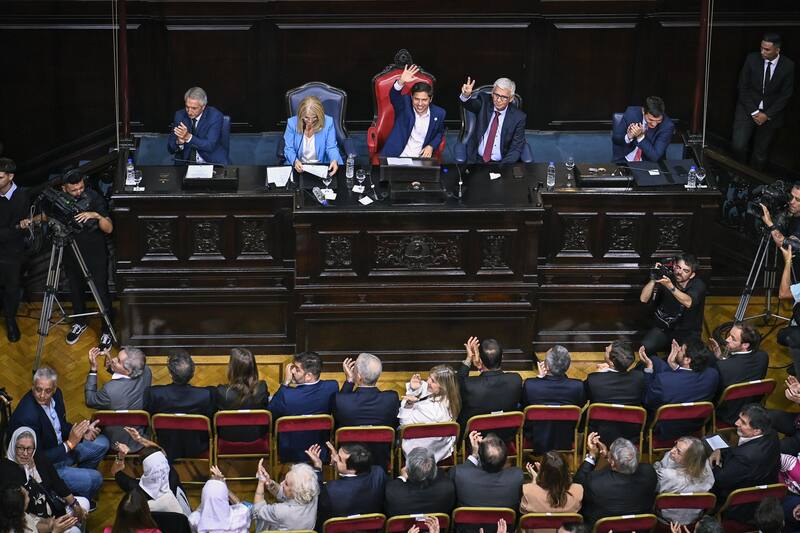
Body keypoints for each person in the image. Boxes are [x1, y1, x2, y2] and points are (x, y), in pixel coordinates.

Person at [9, 367, 108, 499]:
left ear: (54, 389)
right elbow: (36, 458)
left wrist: (82, 433)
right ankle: (73, 494)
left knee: (103, 443)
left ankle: (76, 489)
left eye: (48, 391)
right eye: (38, 389)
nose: (42, 395)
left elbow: (60, 426)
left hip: (60, 449)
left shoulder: (57, 395)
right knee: (96, 478)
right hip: (45, 467)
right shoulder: (27, 417)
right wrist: (70, 444)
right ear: (33, 386)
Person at [56, 172, 114, 348]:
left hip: (95, 253)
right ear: (64, 188)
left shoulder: (93, 197)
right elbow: (48, 216)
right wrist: (32, 220)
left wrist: (96, 215)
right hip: (71, 252)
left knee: (101, 291)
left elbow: (109, 228)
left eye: (81, 187)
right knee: (75, 289)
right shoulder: (59, 200)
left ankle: (107, 329)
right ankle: (80, 322)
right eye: (74, 190)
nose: (78, 192)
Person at [1, 427, 89, 530]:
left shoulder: (38, 457)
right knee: (74, 529)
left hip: (52, 507)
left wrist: (74, 504)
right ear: (13, 446)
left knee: (84, 503)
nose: (25, 453)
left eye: (29, 448)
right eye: (20, 448)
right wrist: (50, 525)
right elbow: (18, 512)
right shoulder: (5, 470)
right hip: (31, 521)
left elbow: (57, 482)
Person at [731, 33, 795, 171]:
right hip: (747, 108)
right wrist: (754, 112)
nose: (762, 52)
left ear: (777, 50)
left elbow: (785, 95)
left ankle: (753, 179)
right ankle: (737, 175)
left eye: (767, 49)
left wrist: (767, 115)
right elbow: (742, 87)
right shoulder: (751, 59)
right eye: (761, 48)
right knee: (738, 145)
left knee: (760, 153)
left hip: (771, 114)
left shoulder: (788, 66)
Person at [710, 403, 780, 524]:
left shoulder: (746, 458)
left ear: (757, 431)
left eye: (743, 422)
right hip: (760, 480)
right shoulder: (772, 434)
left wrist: (714, 465)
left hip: (741, 505)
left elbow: (720, 479)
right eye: (739, 418)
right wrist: (721, 451)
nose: (736, 423)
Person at [268, 351, 339, 464]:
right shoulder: (332, 387)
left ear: (308, 376)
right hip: (320, 451)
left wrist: (285, 383)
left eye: (297, 369)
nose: (292, 371)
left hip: (291, 452)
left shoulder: (286, 395)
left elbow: (270, 415)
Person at [639, 340, 719, 440]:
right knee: (656, 360)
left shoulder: (664, 381)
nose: (678, 349)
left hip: (666, 430)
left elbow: (647, 400)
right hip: (694, 427)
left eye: (681, 350)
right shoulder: (713, 375)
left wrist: (649, 369)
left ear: (687, 360)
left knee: (652, 362)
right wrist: (674, 365)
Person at [144, 351, 214, 462]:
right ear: (192, 374)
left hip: (164, 446)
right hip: (195, 447)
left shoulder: (155, 394)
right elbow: (210, 421)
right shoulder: (204, 395)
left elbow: (148, 418)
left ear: (170, 374)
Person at [573, 433, 657, 525]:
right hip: (638, 527)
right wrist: (609, 456)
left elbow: (578, 483)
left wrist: (592, 454)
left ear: (612, 462)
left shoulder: (595, 482)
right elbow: (626, 466)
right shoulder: (649, 473)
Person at [334, 353, 399, 470]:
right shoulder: (391, 398)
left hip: (350, 462)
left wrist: (350, 381)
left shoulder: (341, 400)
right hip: (381, 460)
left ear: (359, 376)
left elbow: (339, 405)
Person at [521, 345, 586, 454]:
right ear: (567, 366)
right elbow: (581, 403)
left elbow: (524, 404)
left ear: (546, 366)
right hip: (565, 437)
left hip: (536, 437)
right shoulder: (577, 386)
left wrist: (539, 379)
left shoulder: (530, 385)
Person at [85, 346, 152, 451]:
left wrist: (93, 369)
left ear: (128, 371)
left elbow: (90, 400)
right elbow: (127, 377)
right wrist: (112, 366)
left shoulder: (109, 390)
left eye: (118, 361)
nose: (113, 359)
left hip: (116, 441)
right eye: (117, 356)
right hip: (139, 437)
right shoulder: (146, 371)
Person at [112, 427, 191, 516]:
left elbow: (115, 472)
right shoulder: (172, 476)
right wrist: (139, 439)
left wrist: (121, 455)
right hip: (181, 519)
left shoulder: (135, 488)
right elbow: (161, 450)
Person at [307, 442, 388, 528]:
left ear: (352, 470)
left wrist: (317, 467)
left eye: (339, 459)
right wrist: (338, 462)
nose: (334, 458)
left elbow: (317, 496)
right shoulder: (379, 473)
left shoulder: (331, 490)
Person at [639, 253, 707, 356]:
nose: (679, 272)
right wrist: (654, 278)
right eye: (678, 267)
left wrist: (670, 286)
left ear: (692, 275)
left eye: (686, 271)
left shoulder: (698, 285)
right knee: (645, 347)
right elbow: (643, 299)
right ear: (674, 265)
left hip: (688, 333)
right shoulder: (668, 278)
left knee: (688, 358)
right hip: (665, 328)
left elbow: (688, 302)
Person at [708, 322, 768, 427]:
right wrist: (721, 358)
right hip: (752, 407)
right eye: (729, 335)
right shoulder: (763, 356)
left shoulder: (723, 367)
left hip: (728, 414)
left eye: (733, 338)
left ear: (745, 345)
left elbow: (714, 395)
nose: (727, 340)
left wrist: (719, 361)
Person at [448, 432, 524, 514]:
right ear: (506, 459)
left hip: (468, 522)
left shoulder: (459, 474)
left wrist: (474, 454)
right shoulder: (517, 476)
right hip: (503, 522)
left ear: (480, 458)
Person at [584, 341, 645, 444]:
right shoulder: (639, 378)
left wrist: (599, 374)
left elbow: (583, 396)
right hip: (629, 435)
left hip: (599, 435)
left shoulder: (594, 380)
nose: (606, 347)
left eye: (607, 350)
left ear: (612, 363)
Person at [398, 365, 461, 463]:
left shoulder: (430, 411)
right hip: (441, 449)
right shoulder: (452, 399)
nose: (427, 381)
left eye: (433, 381)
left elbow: (404, 423)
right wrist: (415, 389)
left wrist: (410, 398)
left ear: (443, 386)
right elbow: (428, 392)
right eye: (429, 377)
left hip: (417, 452)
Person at [458, 338, 522, 434]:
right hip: (507, 433)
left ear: (480, 360)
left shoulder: (470, 385)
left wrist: (469, 359)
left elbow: (457, 384)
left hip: (477, 436)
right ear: (502, 357)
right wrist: (481, 368)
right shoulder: (516, 379)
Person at [381, 64, 446, 159]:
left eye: (424, 100)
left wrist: (431, 146)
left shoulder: (439, 113)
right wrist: (401, 82)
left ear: (430, 99)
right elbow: (394, 96)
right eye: (416, 99)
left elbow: (440, 133)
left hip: (421, 157)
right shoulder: (405, 105)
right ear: (411, 97)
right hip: (398, 155)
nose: (420, 104)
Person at [459, 76, 526, 163]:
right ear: (492, 93)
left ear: (511, 98)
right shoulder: (484, 101)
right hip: (477, 159)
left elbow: (516, 148)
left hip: (502, 162)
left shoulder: (519, 117)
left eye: (504, 97)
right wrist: (466, 95)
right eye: (496, 95)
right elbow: (471, 105)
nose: (498, 100)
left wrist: (502, 167)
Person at [652, 436, 714, 524]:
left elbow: (653, 486)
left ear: (690, 459)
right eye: (675, 446)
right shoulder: (707, 469)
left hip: (666, 519)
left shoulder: (667, 476)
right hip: (694, 519)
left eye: (678, 452)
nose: (672, 451)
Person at [212, 347, 269, 442]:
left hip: (227, 436)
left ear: (232, 369)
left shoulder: (221, 391)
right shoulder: (262, 388)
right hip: (256, 435)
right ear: (253, 367)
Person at [0, 157, 29, 342]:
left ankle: (10, 320)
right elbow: (11, 229)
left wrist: (12, 230)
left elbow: (17, 231)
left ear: (10, 176)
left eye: (0, 177)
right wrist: (11, 229)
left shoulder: (22, 196)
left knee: (12, 288)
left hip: (12, 253)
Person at [384, 446, 455, 517]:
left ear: (407, 471)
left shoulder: (392, 491)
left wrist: (402, 478)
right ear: (434, 470)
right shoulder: (448, 487)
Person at [520, 451, 583, 531]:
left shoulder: (528, 492)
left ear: (543, 473)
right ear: (566, 471)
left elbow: (524, 515)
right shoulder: (578, 492)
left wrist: (535, 480)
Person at [251, 458, 319, 532]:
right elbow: (284, 493)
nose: (281, 483)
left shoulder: (280, 511)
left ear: (295, 492)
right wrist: (268, 482)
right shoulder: (313, 496)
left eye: (286, 484)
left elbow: (257, 511)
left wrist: (261, 482)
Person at [168, 87, 229, 165]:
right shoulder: (179, 115)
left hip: (211, 161)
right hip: (186, 162)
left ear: (203, 107)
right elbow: (170, 148)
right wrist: (179, 142)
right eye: (187, 107)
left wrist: (188, 137)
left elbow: (210, 146)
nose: (189, 112)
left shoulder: (215, 116)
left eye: (194, 108)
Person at [283, 95, 342, 176]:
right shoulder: (292, 123)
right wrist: (295, 161)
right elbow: (289, 149)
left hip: (321, 166)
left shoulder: (328, 122)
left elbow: (331, 147)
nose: (310, 121)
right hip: (299, 166)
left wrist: (334, 160)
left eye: (314, 118)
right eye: (306, 118)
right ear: (301, 115)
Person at [611, 96, 675, 163]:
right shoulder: (631, 112)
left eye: (658, 120)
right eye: (651, 120)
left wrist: (640, 137)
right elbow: (616, 139)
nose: (654, 124)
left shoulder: (667, 126)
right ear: (643, 111)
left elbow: (655, 157)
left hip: (649, 163)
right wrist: (628, 137)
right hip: (624, 159)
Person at [188, 468, 250, 533]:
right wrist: (223, 484)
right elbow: (240, 505)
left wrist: (209, 496)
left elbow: (203, 505)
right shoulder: (240, 516)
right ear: (225, 497)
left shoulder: (195, 520)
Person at [0, 486, 79, 533]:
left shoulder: (19, 514)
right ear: (22, 506)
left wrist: (51, 525)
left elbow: (34, 524)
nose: (28, 494)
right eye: (26, 496)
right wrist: (55, 531)